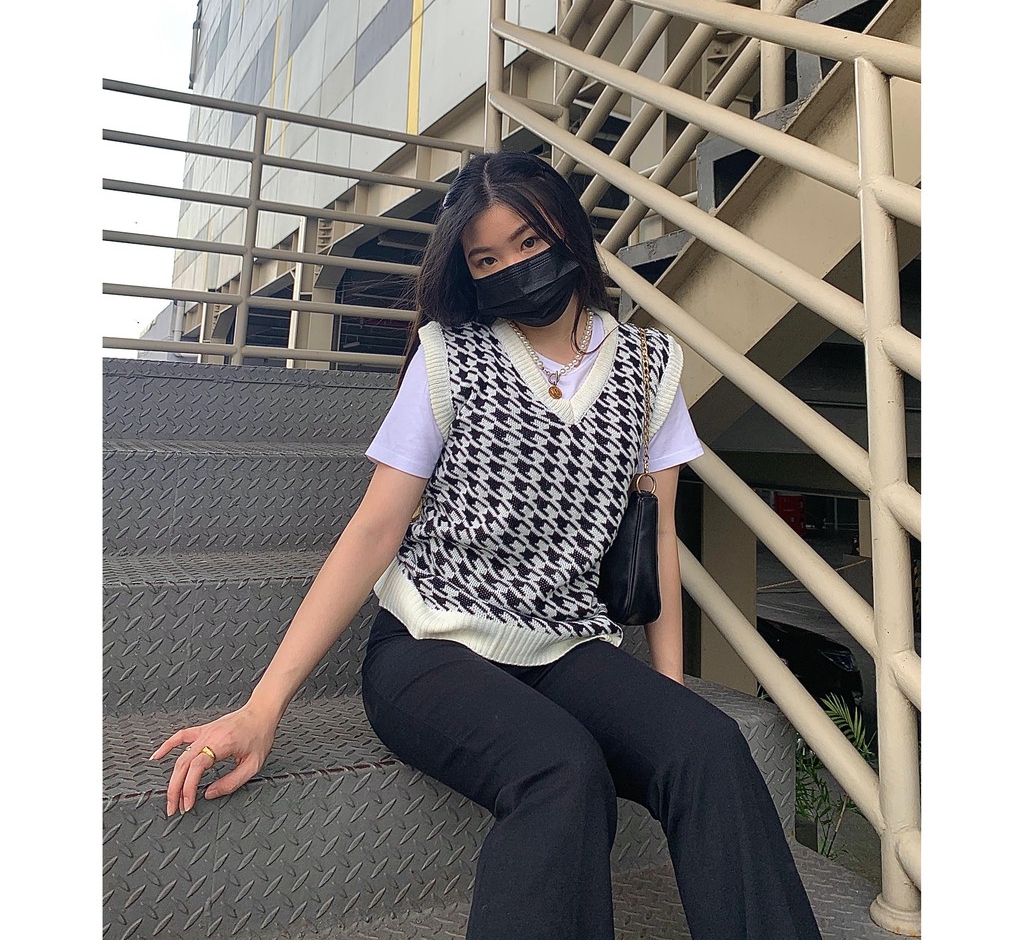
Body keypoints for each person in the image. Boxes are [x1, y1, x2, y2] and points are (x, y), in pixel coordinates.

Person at [151, 152, 822, 940]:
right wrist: (263, 707)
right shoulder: (450, 357)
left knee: (705, 743)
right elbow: (374, 531)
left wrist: (667, 691)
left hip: (569, 645)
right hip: (430, 649)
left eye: (528, 242)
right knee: (563, 772)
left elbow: (660, 535)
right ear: (467, 272)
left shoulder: (648, 367)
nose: (513, 268)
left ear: (569, 232)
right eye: (487, 259)